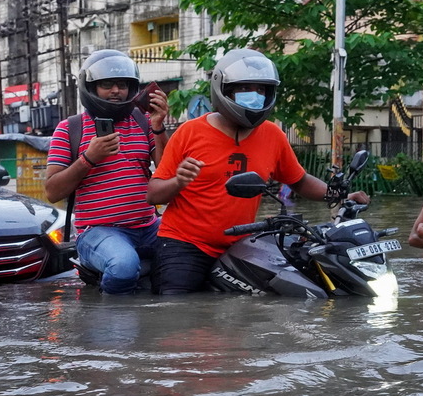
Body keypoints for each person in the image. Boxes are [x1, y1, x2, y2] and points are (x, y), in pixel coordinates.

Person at [147, 49, 369, 295]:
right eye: (245, 89)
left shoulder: (272, 135)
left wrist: (338, 196)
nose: (255, 96)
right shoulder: (189, 132)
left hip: (243, 244)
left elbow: (299, 180)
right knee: (174, 310)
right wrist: (179, 180)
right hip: (186, 244)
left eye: (261, 90)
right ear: (225, 90)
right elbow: (154, 195)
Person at [45, 50, 169, 295]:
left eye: (122, 85)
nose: (116, 91)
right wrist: (89, 158)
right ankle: (113, 318)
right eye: (106, 85)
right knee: (123, 266)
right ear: (90, 88)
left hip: (149, 225)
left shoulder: (142, 121)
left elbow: (166, 171)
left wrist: (158, 126)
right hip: (97, 231)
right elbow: (52, 191)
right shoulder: (70, 129)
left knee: (196, 243)